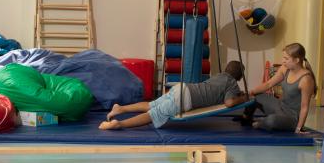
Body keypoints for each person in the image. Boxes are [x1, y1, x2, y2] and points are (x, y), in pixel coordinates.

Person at [100, 60, 248, 130]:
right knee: (154, 114)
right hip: (186, 99)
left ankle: (121, 109)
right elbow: (229, 103)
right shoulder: (233, 84)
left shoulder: (220, 75)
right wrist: (242, 97)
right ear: (239, 76)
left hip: (182, 88)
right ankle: (119, 124)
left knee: (153, 104)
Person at [239, 42, 317, 133]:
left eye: (286, 58)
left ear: (296, 60)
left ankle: (258, 123)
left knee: (271, 120)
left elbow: (304, 107)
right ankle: (246, 118)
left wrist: (299, 128)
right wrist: (251, 92)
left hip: (292, 118)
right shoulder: (285, 68)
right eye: (283, 57)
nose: (283, 61)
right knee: (254, 97)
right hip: (280, 106)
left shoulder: (306, 80)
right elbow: (268, 84)